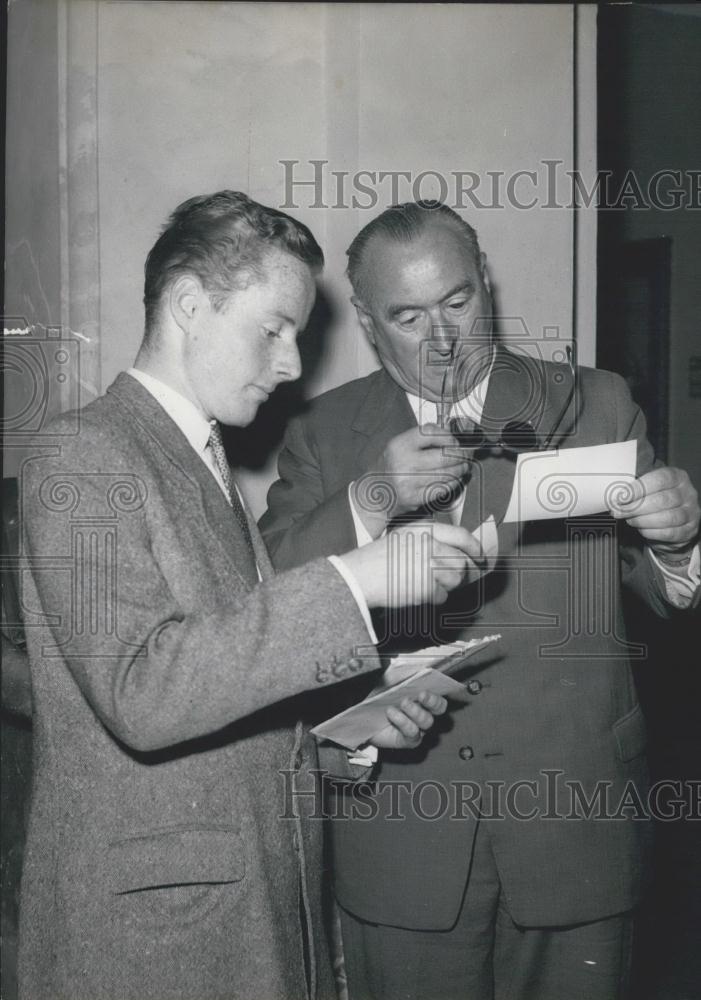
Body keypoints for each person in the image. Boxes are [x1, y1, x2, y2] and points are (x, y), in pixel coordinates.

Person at [18, 192, 481, 1000]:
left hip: (237, 912)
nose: (294, 364)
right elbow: (143, 688)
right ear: (190, 305)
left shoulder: (200, 463)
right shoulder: (84, 452)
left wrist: (335, 737)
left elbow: (221, 673)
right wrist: (353, 582)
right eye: (272, 330)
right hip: (153, 940)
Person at [260, 200, 701, 1000]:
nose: (441, 339)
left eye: (458, 303)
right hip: (401, 839)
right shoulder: (324, 433)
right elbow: (268, 604)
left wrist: (676, 541)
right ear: (363, 318)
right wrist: (371, 495)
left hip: (575, 824)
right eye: (407, 316)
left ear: (485, 285)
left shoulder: (594, 404)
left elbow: (660, 587)